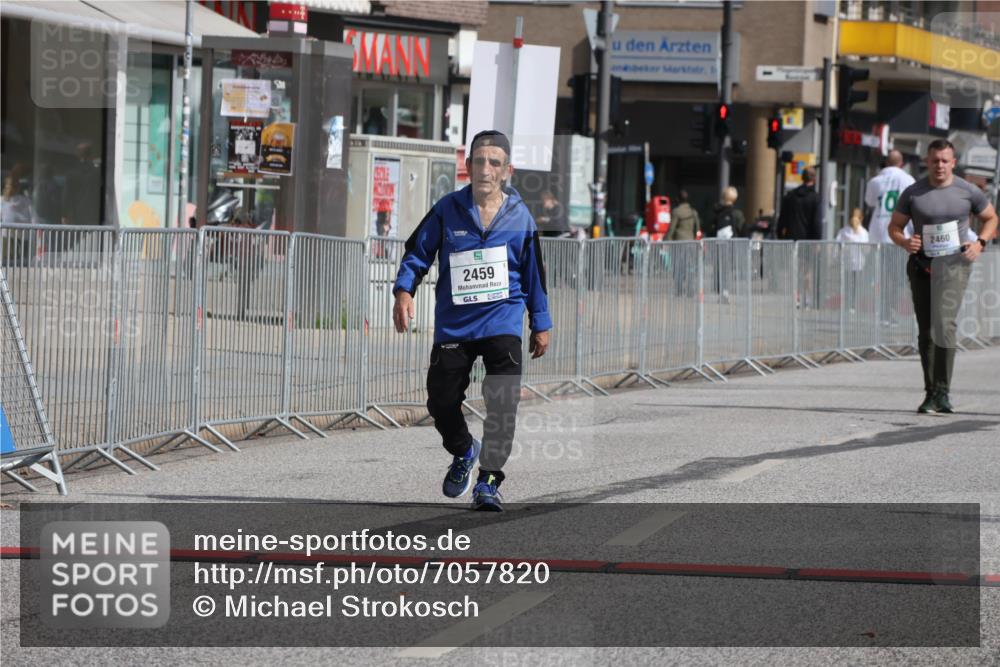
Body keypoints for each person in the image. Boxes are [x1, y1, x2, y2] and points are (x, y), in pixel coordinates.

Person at [392, 130, 551, 512]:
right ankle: (464, 450)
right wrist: (403, 291)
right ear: (468, 166)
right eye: (479, 161)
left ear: (507, 171)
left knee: (502, 406)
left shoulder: (520, 216)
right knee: (441, 401)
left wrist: (540, 322)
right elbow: (418, 253)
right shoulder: (447, 209)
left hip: (503, 323)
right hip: (455, 326)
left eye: (494, 162)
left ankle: (489, 482)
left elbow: (534, 274)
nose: (486, 169)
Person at [888, 139, 998, 414]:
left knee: (944, 324)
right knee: (926, 330)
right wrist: (904, 242)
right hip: (922, 264)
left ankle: (943, 391)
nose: (939, 165)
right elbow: (895, 227)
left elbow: (991, 218)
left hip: (954, 265)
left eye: (945, 161)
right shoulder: (913, 192)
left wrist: (979, 244)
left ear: (953, 163)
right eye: (935, 160)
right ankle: (930, 393)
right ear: (927, 161)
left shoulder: (967, 190)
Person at [864, 149, 915, 244]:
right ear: (901, 164)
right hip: (902, 234)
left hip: (878, 233)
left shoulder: (874, 181)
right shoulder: (909, 180)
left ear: (886, 162)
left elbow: (869, 202)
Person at [837, 208, 870, 313]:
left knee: (852, 285)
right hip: (852, 263)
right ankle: (850, 305)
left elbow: (866, 249)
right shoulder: (847, 232)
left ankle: (851, 305)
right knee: (850, 285)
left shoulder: (860, 232)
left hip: (854, 263)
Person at [776, 167, 820, 241]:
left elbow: (781, 220)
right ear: (814, 179)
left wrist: (781, 237)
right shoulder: (815, 198)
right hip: (807, 243)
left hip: (790, 241)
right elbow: (816, 223)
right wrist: (817, 241)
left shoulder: (790, 196)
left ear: (802, 177)